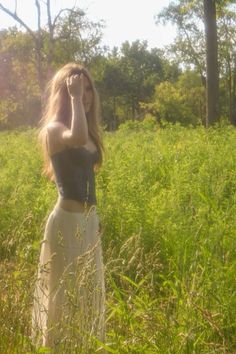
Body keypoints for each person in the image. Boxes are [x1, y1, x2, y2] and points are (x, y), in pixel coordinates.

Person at [31, 63, 106, 352]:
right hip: (65, 223)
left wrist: (94, 219)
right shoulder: (55, 130)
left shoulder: (86, 130)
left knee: (88, 290)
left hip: (87, 222)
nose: (85, 94)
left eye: (88, 88)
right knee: (63, 292)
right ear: (64, 93)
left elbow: (88, 173)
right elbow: (75, 138)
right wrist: (74, 99)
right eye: (76, 88)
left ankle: (84, 346)